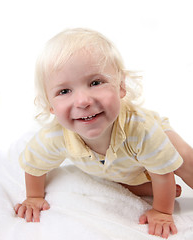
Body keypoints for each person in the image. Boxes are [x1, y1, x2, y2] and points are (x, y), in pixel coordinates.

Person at [14, 28, 193, 239]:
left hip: (152, 139)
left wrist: (162, 211)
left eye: (95, 83)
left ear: (121, 86)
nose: (83, 101)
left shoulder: (142, 129)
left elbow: (163, 175)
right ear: (49, 105)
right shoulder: (54, 136)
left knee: (183, 159)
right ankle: (145, 184)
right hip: (120, 166)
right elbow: (34, 165)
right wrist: (34, 197)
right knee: (114, 180)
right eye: (64, 91)